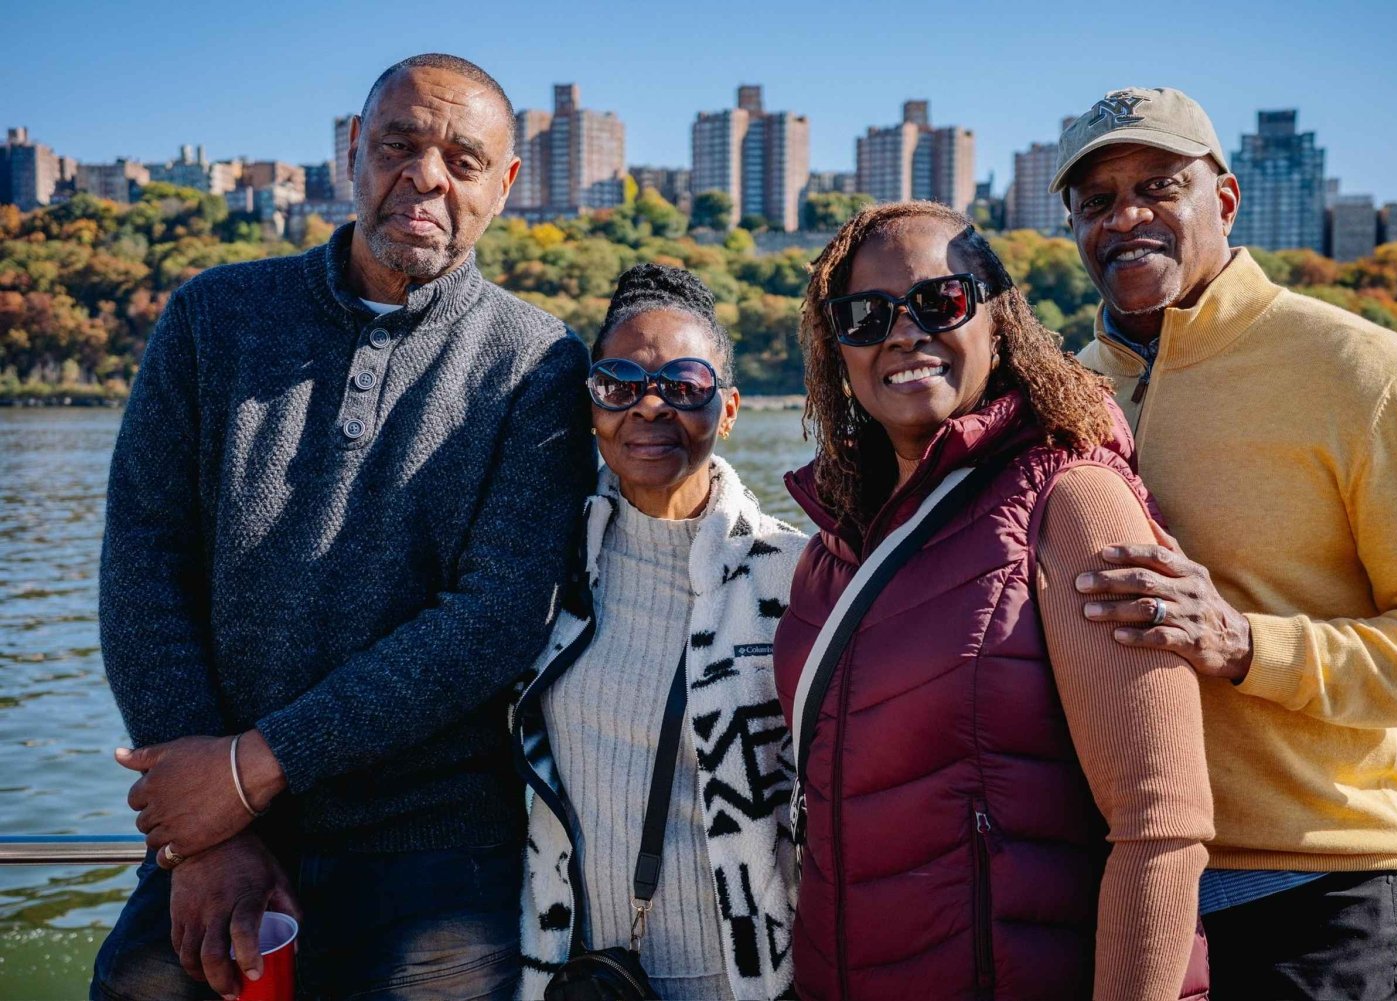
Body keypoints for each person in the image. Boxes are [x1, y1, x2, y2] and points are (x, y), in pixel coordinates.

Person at [91, 53, 594, 1001]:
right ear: (352, 150)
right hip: (218, 838)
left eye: (463, 157)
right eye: (400, 144)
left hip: (434, 847)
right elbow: (143, 567)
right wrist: (213, 830)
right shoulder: (211, 318)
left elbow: (493, 618)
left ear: (506, 186)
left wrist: (254, 767)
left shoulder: (538, 363)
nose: (427, 176)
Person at [1053, 86, 1397, 1000]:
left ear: (1224, 200)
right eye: (1097, 202)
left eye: (1157, 186)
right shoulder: (1061, 389)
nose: (1126, 216)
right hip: (1108, 893)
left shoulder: (1359, 371)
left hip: (1309, 896)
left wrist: (1251, 643)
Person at [772, 201, 1214, 1001]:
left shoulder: (1071, 501)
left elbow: (1162, 829)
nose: (903, 333)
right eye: (865, 316)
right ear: (837, 349)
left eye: (939, 302)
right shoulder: (829, 545)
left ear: (999, 318)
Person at [512, 263, 803, 1000]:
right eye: (619, 384)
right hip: (580, 976)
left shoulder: (791, 577)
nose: (649, 406)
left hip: (741, 980)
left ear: (728, 409)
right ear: (590, 405)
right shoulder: (548, 563)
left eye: (684, 385)